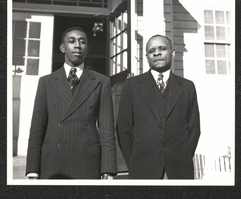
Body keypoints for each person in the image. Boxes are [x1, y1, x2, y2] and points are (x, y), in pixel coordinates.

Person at [26, 27, 117, 179]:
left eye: (82, 42)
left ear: (87, 49)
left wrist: (108, 169)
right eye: (72, 41)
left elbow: (107, 129)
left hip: (87, 161)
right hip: (53, 162)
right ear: (62, 48)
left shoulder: (101, 81)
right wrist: (32, 169)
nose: (77, 45)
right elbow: (37, 129)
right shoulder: (46, 82)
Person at [116, 35, 200, 179]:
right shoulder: (132, 85)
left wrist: (182, 157)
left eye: (162, 49)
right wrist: (134, 163)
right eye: (151, 50)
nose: (157, 53)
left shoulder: (187, 87)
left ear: (172, 53)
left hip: (179, 169)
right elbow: (123, 129)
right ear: (147, 56)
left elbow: (194, 129)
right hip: (142, 168)